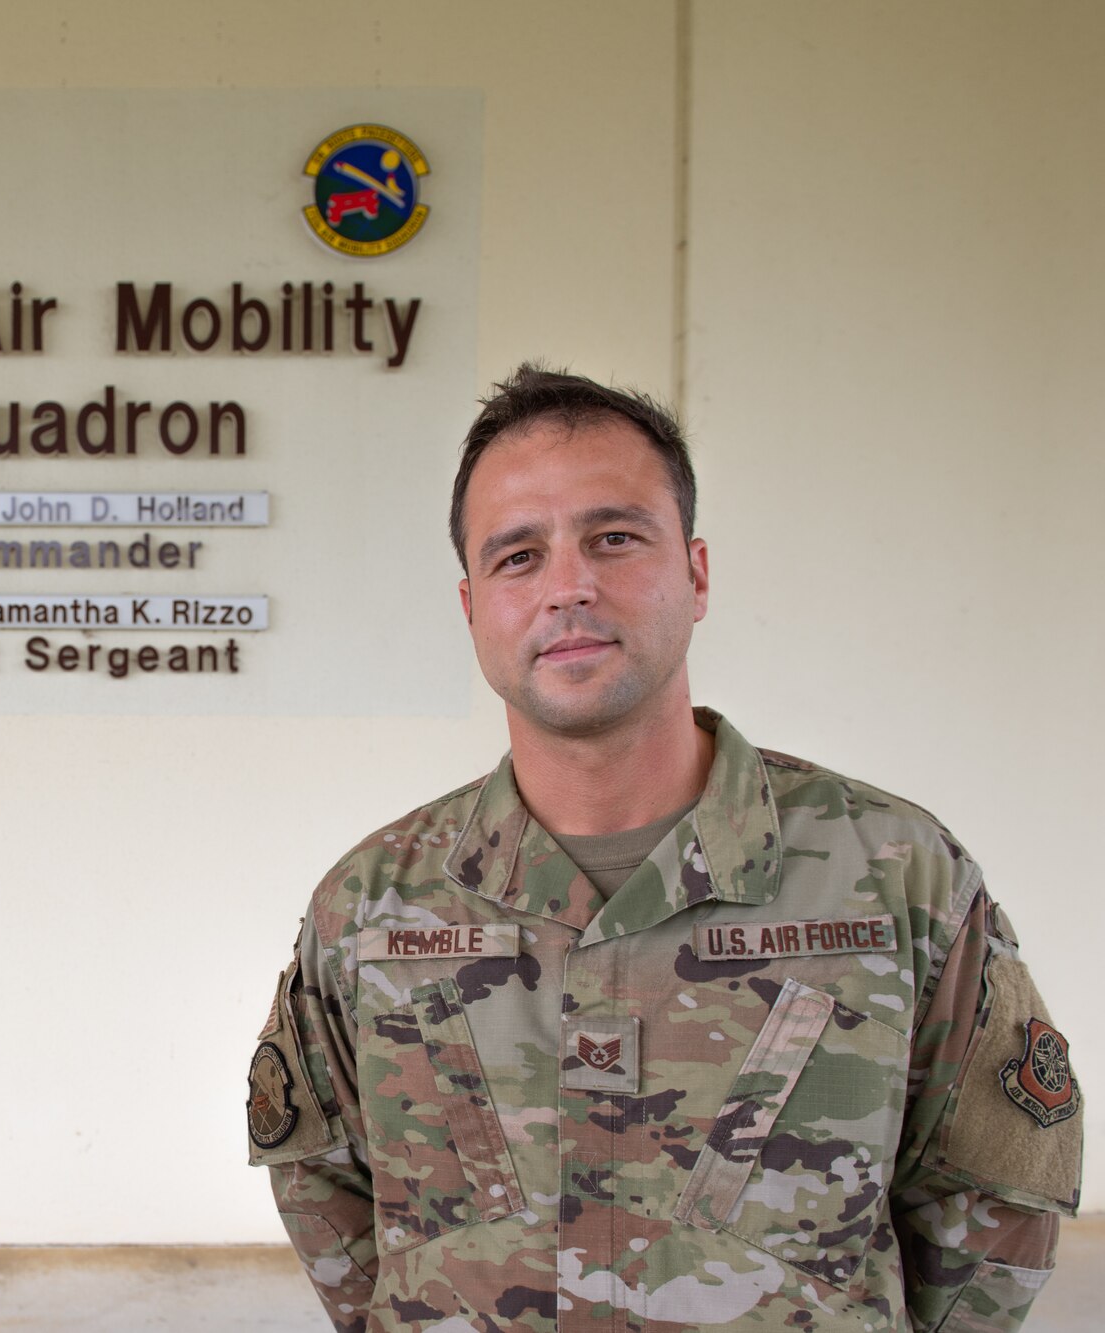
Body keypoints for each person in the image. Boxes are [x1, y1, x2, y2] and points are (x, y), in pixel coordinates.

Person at [248, 365, 1080, 1331]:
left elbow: (992, 1199)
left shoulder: (897, 874)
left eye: (614, 537)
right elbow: (326, 1194)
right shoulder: (374, 904)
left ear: (696, 575)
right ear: (472, 608)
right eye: (518, 556)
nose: (568, 585)